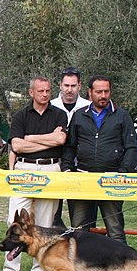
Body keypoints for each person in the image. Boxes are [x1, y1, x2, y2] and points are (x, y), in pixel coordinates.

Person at [0, 77, 67, 271]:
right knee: (13, 220)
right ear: (31, 92)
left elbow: (60, 140)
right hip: (24, 169)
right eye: (41, 91)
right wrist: (46, 140)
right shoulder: (21, 116)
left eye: (48, 91)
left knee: (44, 225)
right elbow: (16, 145)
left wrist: (31, 138)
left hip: (51, 168)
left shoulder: (59, 115)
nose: (45, 94)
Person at [62, 75, 137, 244]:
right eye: (99, 92)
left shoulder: (122, 116)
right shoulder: (79, 115)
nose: (103, 95)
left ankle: (120, 269)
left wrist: (124, 173)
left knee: (115, 230)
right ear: (90, 92)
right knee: (78, 230)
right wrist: (67, 169)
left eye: (106, 91)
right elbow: (70, 146)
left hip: (112, 180)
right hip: (83, 179)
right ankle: (79, 269)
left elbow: (132, 148)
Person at [50, 67, 90, 228]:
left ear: (79, 86)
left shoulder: (89, 107)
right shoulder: (50, 106)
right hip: (53, 165)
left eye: (73, 86)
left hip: (80, 168)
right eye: (66, 85)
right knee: (51, 215)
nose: (69, 89)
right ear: (60, 85)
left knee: (82, 218)